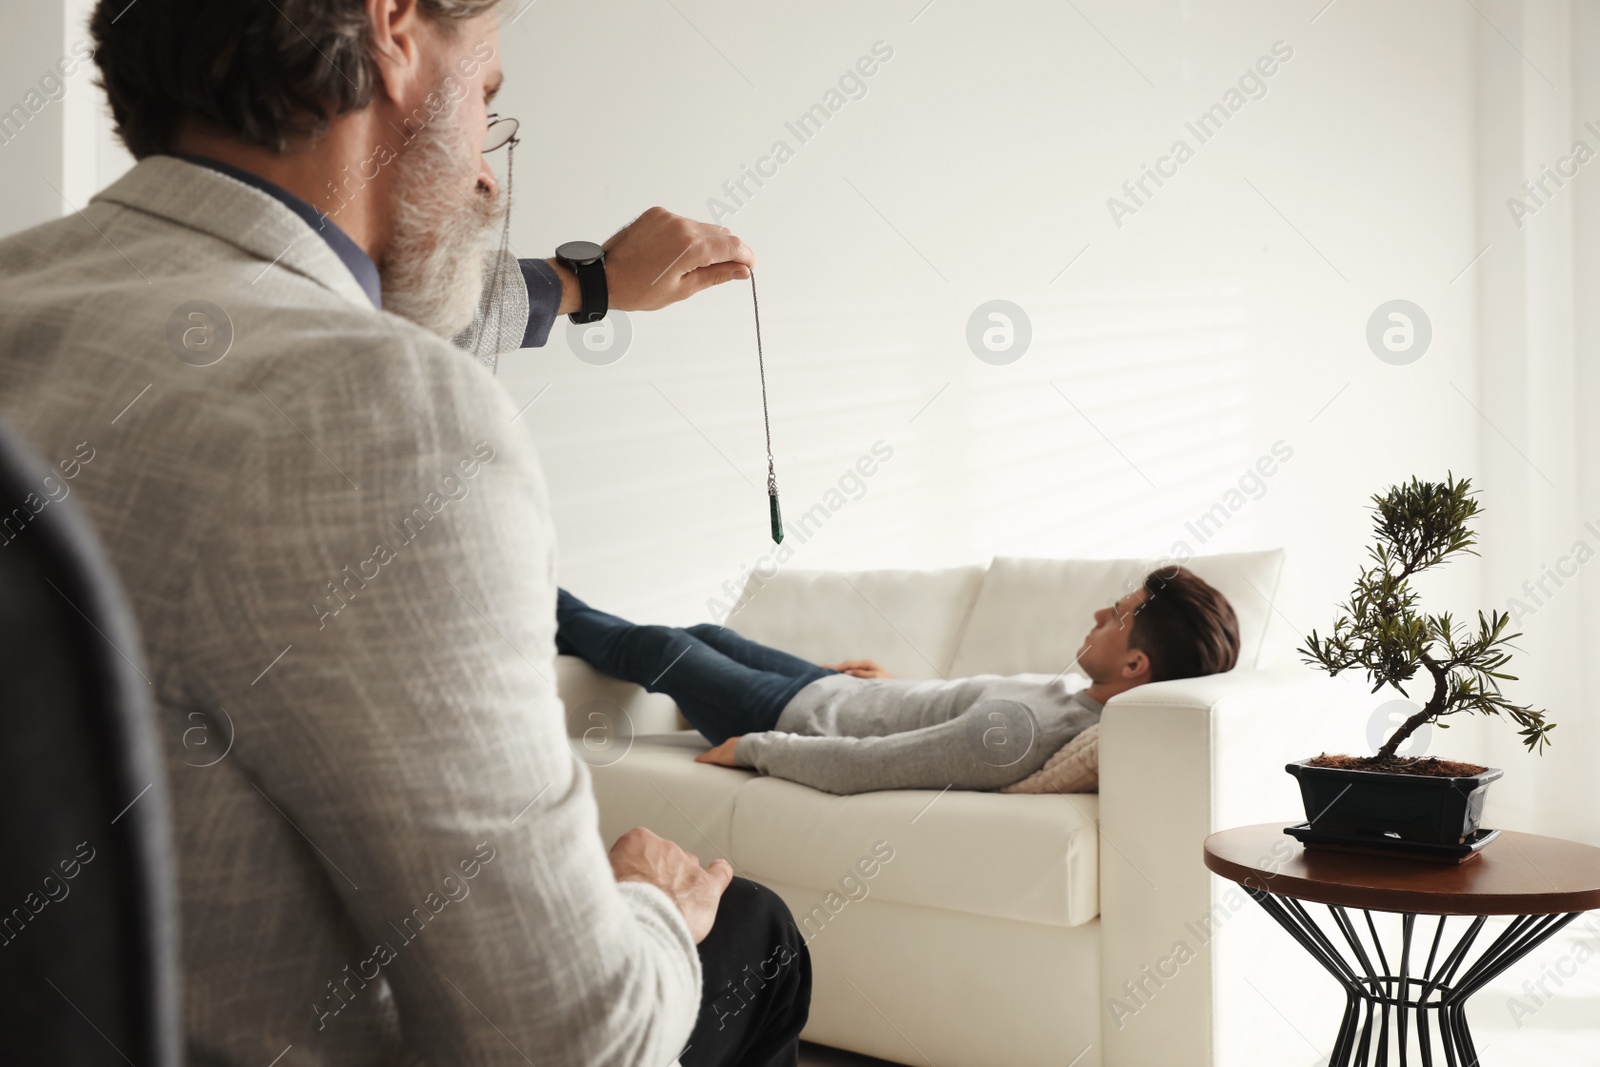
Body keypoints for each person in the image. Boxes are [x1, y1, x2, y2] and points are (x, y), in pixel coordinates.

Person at [0, 2, 808, 1066]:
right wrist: (652, 903)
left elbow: (342, 297)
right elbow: (570, 1038)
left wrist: (592, 284)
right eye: (486, 98)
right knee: (751, 932)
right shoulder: (389, 411)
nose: (487, 176)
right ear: (389, 28)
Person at [556, 567, 1241, 794]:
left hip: (794, 717)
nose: (1101, 611)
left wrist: (757, 748)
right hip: (840, 694)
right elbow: (951, 716)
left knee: (650, 646)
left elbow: (878, 764)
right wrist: (900, 688)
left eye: (1119, 614)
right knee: (706, 637)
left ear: (1136, 667)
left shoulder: (1029, 732)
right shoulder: (1075, 700)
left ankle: (512, 585)